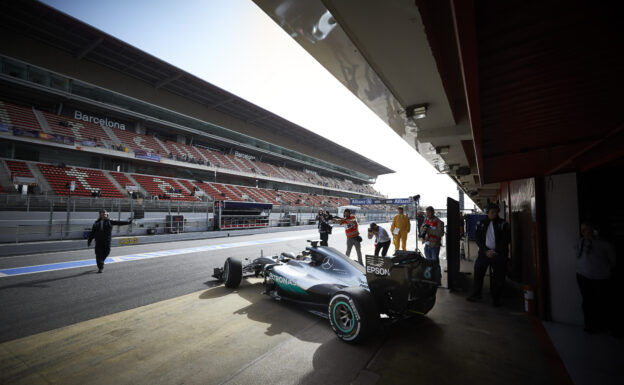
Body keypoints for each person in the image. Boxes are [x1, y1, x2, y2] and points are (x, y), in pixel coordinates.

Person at [575, 221, 616, 333]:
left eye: (587, 229)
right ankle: (590, 325)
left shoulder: (605, 244)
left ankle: (605, 326)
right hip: (583, 276)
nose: (585, 232)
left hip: (600, 277)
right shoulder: (581, 242)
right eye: (583, 230)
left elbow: (613, 261)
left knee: (602, 301)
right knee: (587, 301)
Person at [467, 203, 510, 306]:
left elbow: (506, 239)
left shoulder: (503, 224)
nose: (494, 214)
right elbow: (478, 238)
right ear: (487, 212)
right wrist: (485, 250)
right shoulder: (481, 223)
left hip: (498, 254)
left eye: (496, 212)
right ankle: (476, 294)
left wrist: (496, 251)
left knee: (498, 276)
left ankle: (496, 298)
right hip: (484, 253)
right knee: (478, 272)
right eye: (492, 212)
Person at [420, 206, 445, 283]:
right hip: (427, 246)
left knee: (435, 264)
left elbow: (440, 233)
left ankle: (438, 280)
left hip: (434, 246)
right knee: (428, 263)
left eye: (429, 212)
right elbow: (421, 229)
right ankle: (430, 278)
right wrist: (423, 230)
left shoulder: (439, 222)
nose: (427, 214)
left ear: (433, 212)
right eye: (426, 213)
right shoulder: (425, 220)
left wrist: (429, 230)